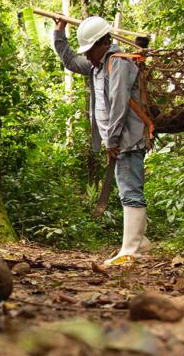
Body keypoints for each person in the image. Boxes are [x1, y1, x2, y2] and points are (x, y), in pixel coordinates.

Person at [53, 16, 151, 265]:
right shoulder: (97, 65)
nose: (87, 56)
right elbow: (71, 61)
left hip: (126, 139)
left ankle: (131, 251)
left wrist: (113, 140)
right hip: (117, 140)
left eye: (90, 50)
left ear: (103, 43)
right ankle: (140, 241)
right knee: (126, 187)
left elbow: (119, 103)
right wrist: (59, 35)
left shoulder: (119, 63)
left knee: (130, 190)